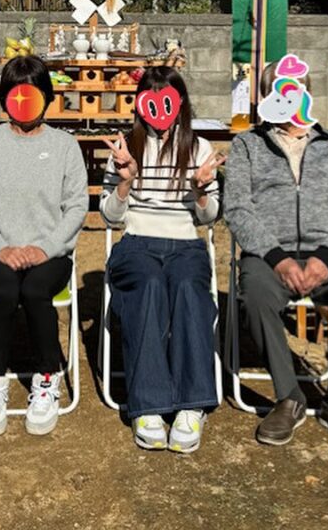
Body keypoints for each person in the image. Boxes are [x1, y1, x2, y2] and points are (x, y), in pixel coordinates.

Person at [223, 61, 328, 449]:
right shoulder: (247, 145)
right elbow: (237, 207)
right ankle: (289, 397)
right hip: (268, 254)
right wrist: (277, 258)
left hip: (326, 255)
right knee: (256, 296)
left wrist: (325, 257)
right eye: (275, 90)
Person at [0, 53, 88, 436]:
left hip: (50, 252)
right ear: (5, 98)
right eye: (15, 93)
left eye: (32, 92)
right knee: (2, 291)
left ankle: (47, 379)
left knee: (34, 290)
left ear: (47, 96)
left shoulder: (65, 145)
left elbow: (77, 205)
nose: (23, 101)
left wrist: (45, 248)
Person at [101, 66, 225, 453]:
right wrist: (125, 180)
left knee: (188, 287)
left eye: (168, 100)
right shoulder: (125, 147)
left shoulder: (200, 148)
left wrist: (201, 190)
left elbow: (209, 217)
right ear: (140, 105)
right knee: (149, 285)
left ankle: (192, 404)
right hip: (137, 241)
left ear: (181, 103)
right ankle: (149, 406)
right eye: (150, 101)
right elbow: (110, 216)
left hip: (186, 242)